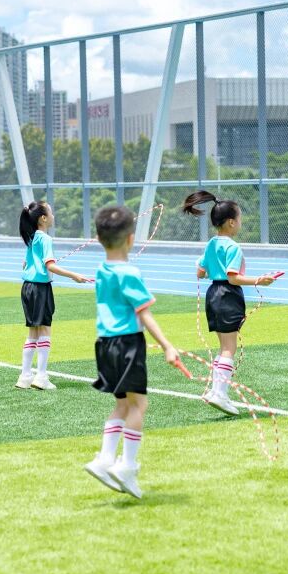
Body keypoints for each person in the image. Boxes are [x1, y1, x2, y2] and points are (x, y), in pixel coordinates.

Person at [84, 205, 181, 500]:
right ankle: (126, 466)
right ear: (130, 239)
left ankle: (105, 459)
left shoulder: (101, 270)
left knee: (122, 405)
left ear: (99, 239)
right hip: (127, 344)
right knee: (139, 406)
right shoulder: (130, 273)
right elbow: (145, 314)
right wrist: (167, 346)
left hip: (105, 344)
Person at [182, 190, 276, 416]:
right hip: (228, 295)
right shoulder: (233, 247)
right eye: (240, 218)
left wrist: (209, 266)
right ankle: (220, 394)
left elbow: (200, 272)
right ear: (232, 222)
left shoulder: (211, 244)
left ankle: (216, 391)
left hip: (213, 294)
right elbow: (233, 277)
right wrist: (259, 280)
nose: (240, 223)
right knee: (229, 348)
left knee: (223, 347)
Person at [17, 200, 91, 391]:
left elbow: (25, 264)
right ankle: (41, 377)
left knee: (33, 332)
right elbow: (50, 266)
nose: (53, 216)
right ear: (43, 218)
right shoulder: (45, 239)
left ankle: (25, 376)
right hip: (40, 289)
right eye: (50, 212)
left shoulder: (32, 238)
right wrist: (74, 275)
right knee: (45, 331)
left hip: (27, 288)